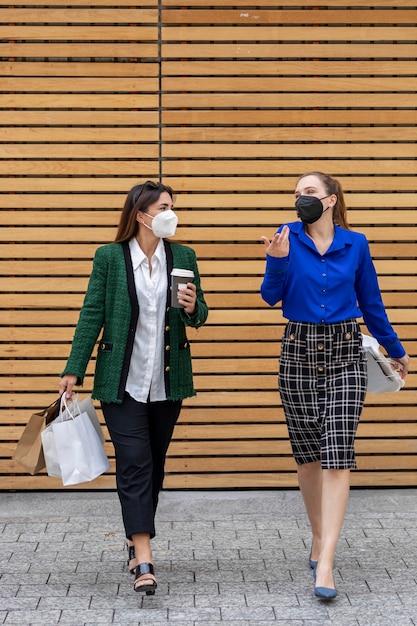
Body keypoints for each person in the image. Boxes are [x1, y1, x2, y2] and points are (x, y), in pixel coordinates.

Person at [260, 172, 409, 600]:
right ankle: (318, 535)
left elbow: (371, 300)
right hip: (298, 351)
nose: (300, 200)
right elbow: (270, 297)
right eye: (296, 194)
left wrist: (395, 349)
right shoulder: (285, 236)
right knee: (308, 458)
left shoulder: (355, 243)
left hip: (346, 351)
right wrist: (277, 259)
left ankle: (326, 563)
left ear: (330, 200)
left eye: (308, 192)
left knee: (338, 454)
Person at [59, 180, 208, 595]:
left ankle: (133, 536)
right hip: (120, 381)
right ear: (141, 214)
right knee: (135, 463)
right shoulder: (109, 257)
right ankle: (143, 556)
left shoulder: (184, 256)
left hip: (167, 379)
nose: (170, 213)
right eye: (164, 206)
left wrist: (195, 307)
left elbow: (200, 315)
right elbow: (92, 312)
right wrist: (74, 369)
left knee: (154, 465)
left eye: (172, 206)